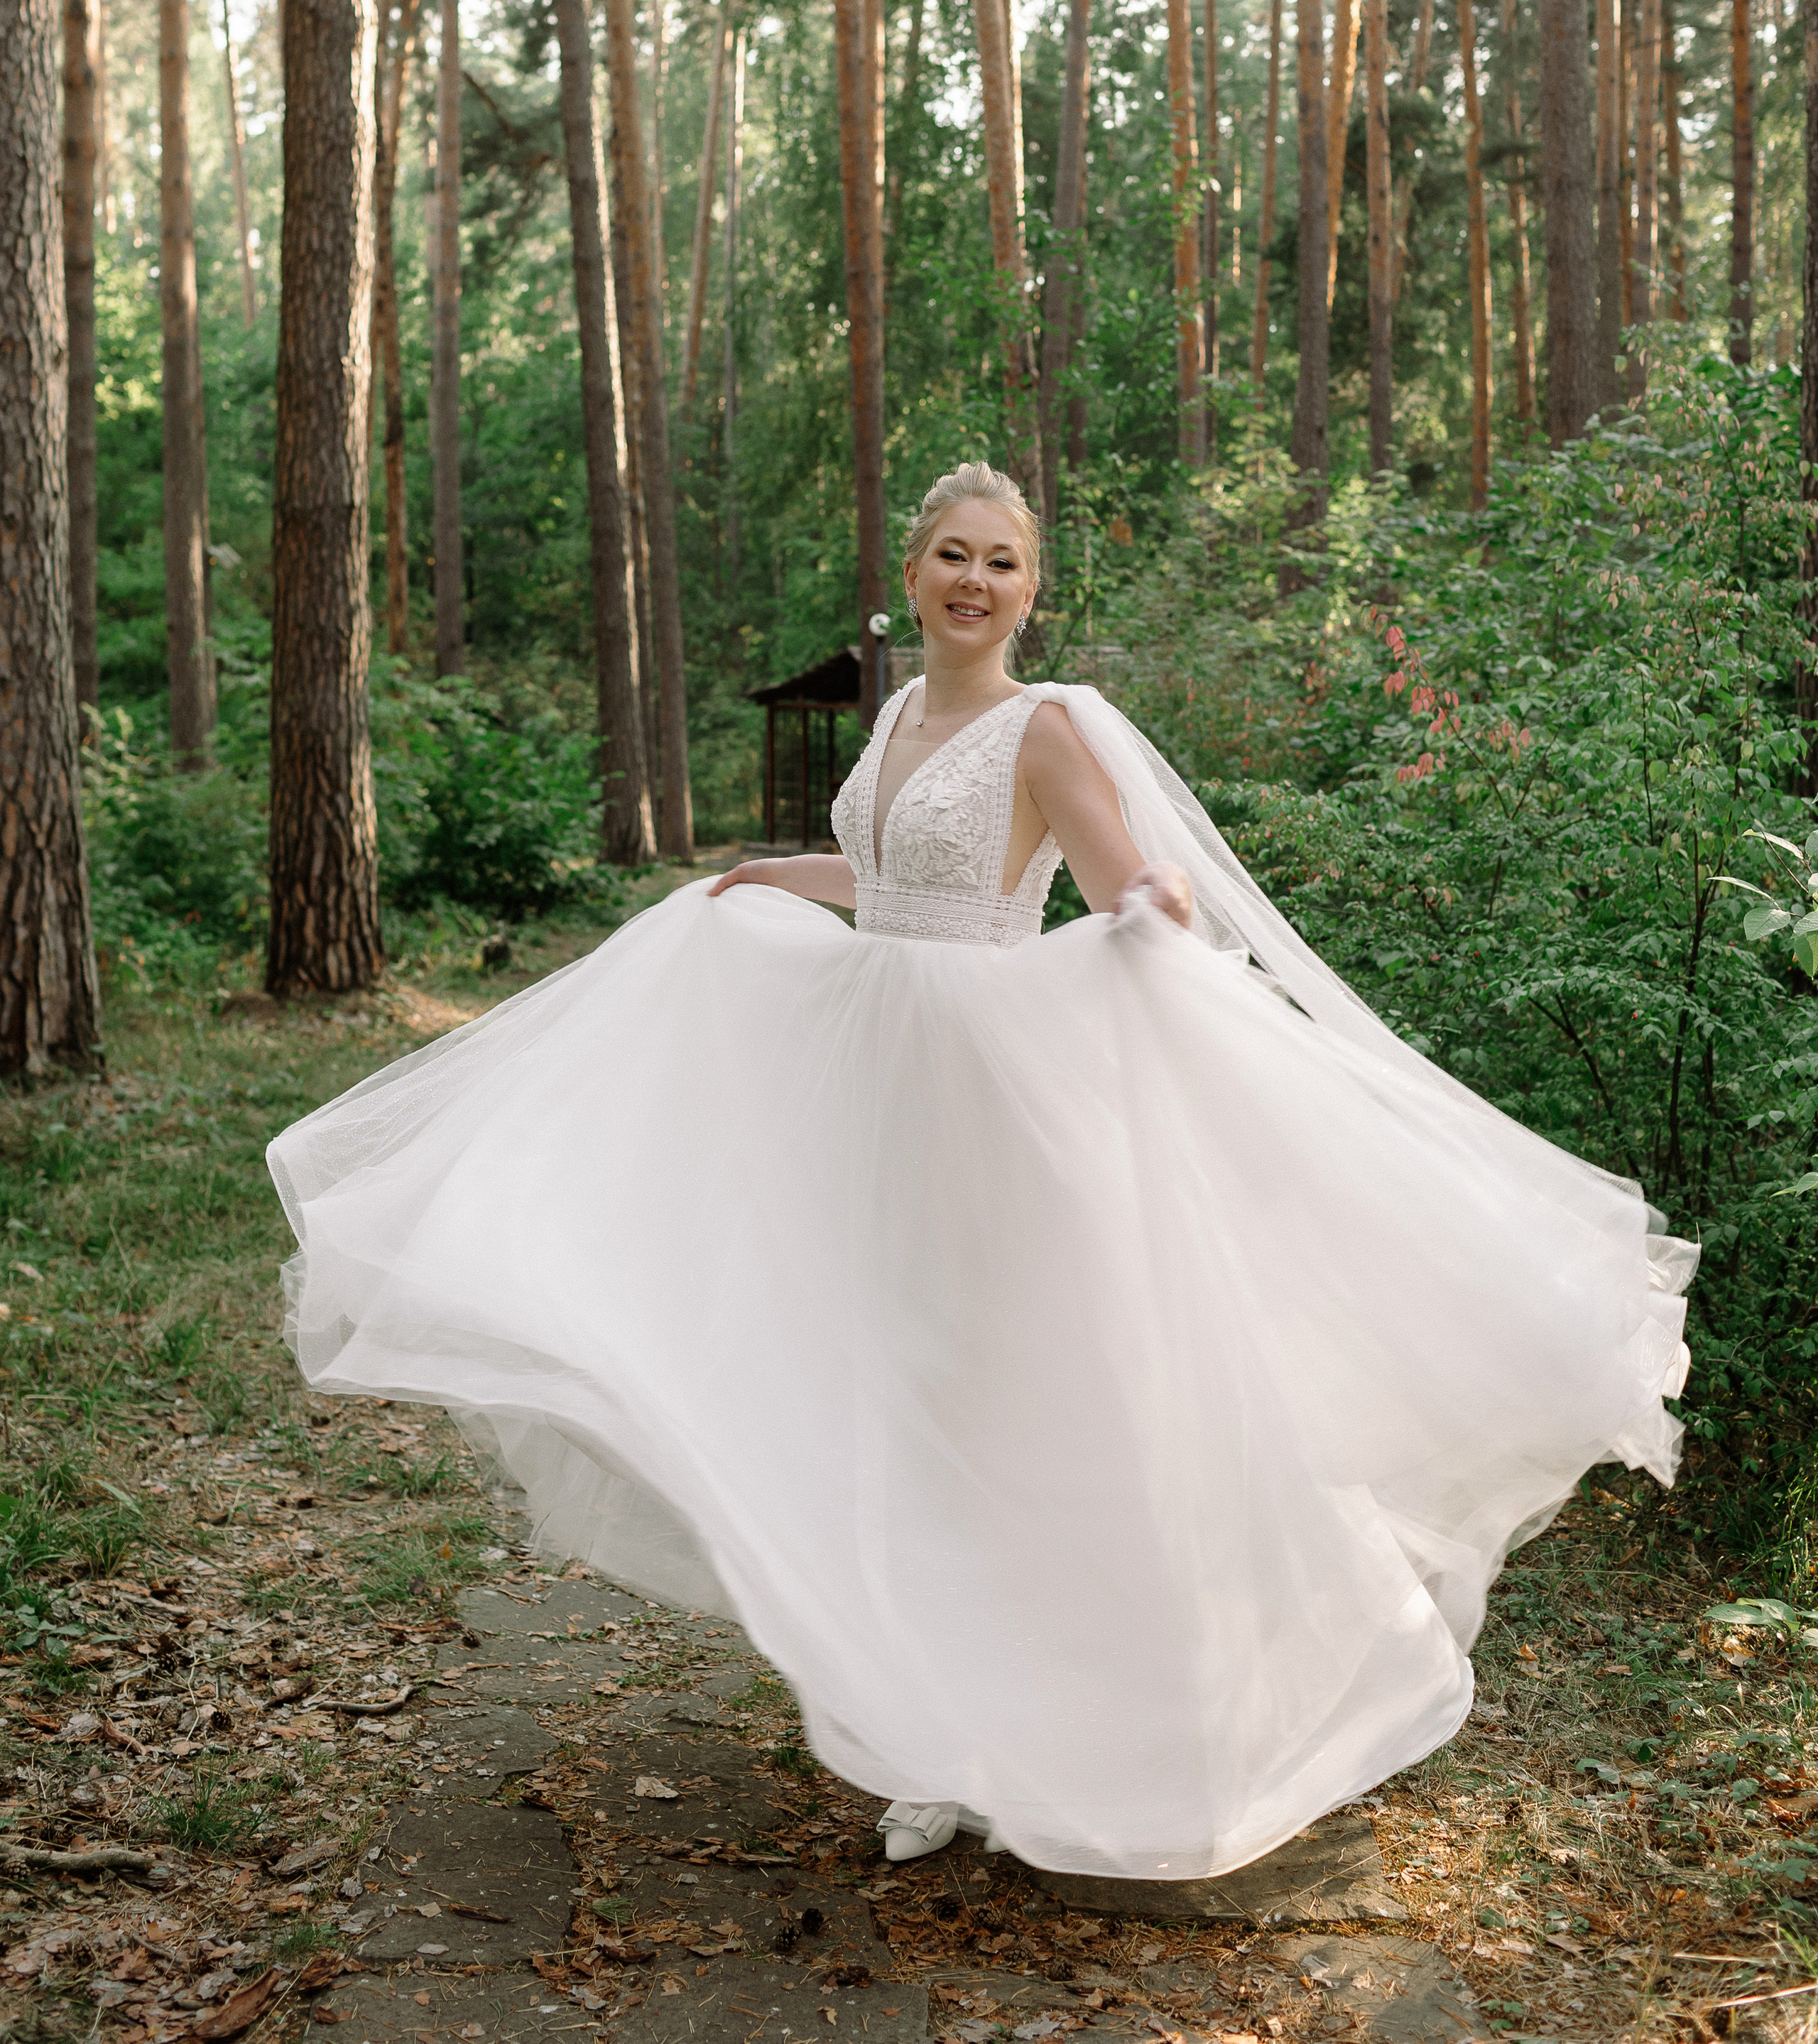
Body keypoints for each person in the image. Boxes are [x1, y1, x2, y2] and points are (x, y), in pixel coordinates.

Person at [268, 462, 1694, 1887]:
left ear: (1029, 588)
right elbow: (890, 882)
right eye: (951, 555)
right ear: (913, 572)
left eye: (999, 564)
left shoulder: (1044, 726)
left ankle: (1059, 1735)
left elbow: (1125, 880)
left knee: (999, 1404)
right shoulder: (898, 708)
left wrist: (1146, 906)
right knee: (886, 1400)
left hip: (986, 1093)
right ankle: (927, 1735)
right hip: (872, 1086)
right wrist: (775, 876)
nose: (972, 581)